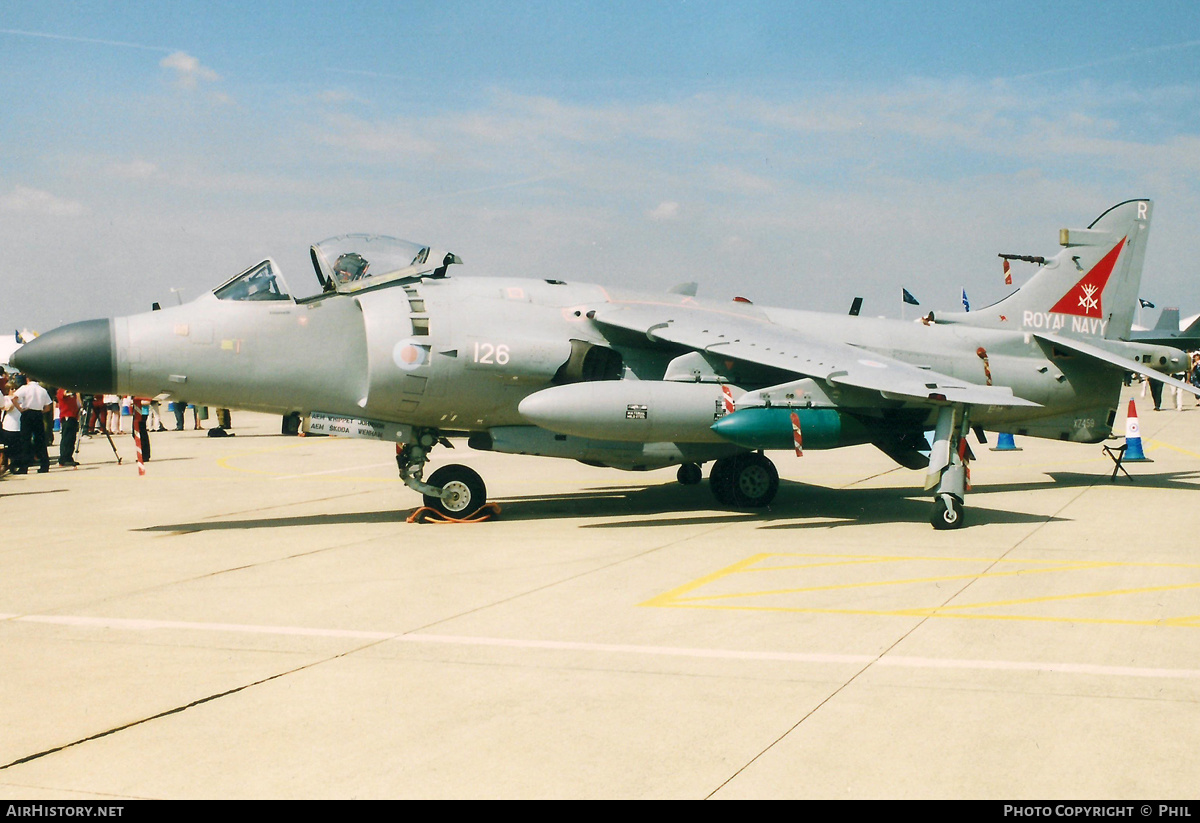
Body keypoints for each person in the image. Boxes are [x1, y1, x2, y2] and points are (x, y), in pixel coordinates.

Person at [13, 375, 52, 473]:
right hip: (38, 413)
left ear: (27, 379)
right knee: (40, 439)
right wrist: (40, 412)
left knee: (25, 439)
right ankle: (44, 464)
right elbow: (48, 407)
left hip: (27, 413)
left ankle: (24, 466)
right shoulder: (42, 390)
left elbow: (14, 398)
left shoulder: (25, 388)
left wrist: (20, 409)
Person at [57, 388, 80, 467]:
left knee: (72, 438)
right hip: (67, 416)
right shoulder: (62, 390)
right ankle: (63, 458)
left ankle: (69, 456)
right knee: (66, 438)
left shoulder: (72, 393)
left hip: (73, 416)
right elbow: (63, 394)